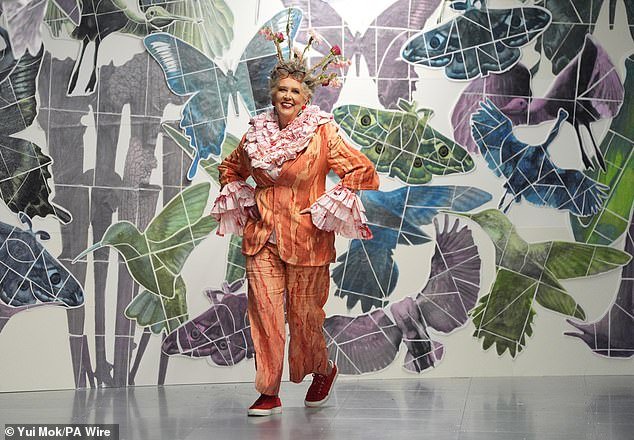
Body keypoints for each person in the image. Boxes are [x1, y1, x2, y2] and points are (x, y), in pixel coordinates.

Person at [211, 24, 379, 417]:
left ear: (306, 98)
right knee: (265, 314)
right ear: (273, 93)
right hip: (262, 239)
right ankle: (268, 390)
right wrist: (244, 200)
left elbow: (362, 170)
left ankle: (322, 369)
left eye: (295, 91)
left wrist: (330, 203)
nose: (287, 96)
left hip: (308, 239)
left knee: (305, 318)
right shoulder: (255, 135)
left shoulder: (322, 133)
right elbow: (230, 168)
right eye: (282, 89)